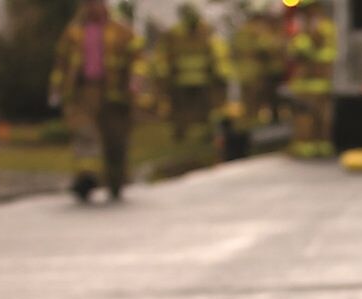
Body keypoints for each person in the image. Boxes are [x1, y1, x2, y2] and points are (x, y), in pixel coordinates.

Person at [49, 0, 145, 202]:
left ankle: (116, 182)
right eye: (88, 4)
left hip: (115, 95)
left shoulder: (122, 31)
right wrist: (57, 88)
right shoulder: (74, 32)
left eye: (96, 3)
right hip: (83, 92)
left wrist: (136, 80)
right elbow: (61, 62)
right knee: (85, 133)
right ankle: (86, 177)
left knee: (115, 142)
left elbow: (138, 59)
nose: (92, 8)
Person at [157, 3, 231, 143]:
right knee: (182, 110)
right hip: (184, 80)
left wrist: (221, 72)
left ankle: (203, 135)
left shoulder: (205, 31)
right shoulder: (174, 34)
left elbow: (217, 52)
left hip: (199, 79)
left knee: (204, 109)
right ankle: (181, 134)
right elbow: (164, 56)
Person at [287, 0, 336, 157]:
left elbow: (299, 51)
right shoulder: (327, 27)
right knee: (321, 115)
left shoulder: (311, 28)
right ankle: (321, 145)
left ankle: (307, 146)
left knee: (306, 116)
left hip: (310, 82)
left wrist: (298, 46)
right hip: (322, 82)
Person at [232, 0, 286, 126]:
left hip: (247, 72)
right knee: (255, 102)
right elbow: (267, 47)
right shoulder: (257, 30)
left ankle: (252, 127)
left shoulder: (243, 29)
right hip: (256, 73)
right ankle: (254, 130)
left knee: (251, 103)